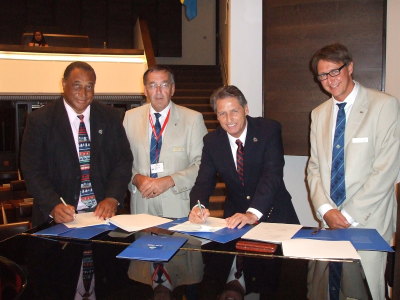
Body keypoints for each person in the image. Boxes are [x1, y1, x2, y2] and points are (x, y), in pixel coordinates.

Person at [20, 61, 133, 298]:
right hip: (58, 223)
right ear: (64, 85)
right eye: (77, 86)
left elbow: (123, 161)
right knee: (58, 288)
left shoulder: (111, 117)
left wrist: (113, 197)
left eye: (90, 87)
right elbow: (32, 169)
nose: (84, 93)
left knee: (107, 287)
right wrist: (52, 204)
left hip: (103, 222)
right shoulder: (41, 120)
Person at [307, 43, 400, 300]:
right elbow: (314, 167)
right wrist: (326, 211)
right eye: (323, 75)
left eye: (335, 72)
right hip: (329, 222)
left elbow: (386, 169)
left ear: (350, 68)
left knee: (367, 291)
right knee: (329, 291)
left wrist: (346, 215)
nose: (329, 80)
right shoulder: (318, 114)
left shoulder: (384, 105)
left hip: (367, 221)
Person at [189, 85, 299, 299]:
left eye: (234, 111)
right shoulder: (212, 142)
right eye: (222, 113)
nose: (229, 118)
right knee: (235, 272)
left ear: (246, 109)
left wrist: (252, 212)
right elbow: (204, 181)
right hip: (235, 218)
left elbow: (272, 175)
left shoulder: (268, 130)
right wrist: (198, 207)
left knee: (278, 284)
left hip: (274, 214)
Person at [123, 65, 207, 297]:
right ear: (145, 90)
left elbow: (202, 164)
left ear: (172, 89)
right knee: (142, 273)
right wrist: (135, 177)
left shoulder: (192, 119)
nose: (158, 91)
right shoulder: (130, 118)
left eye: (164, 85)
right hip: (143, 208)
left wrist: (170, 180)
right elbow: (122, 161)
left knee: (184, 271)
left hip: (178, 208)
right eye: (152, 85)